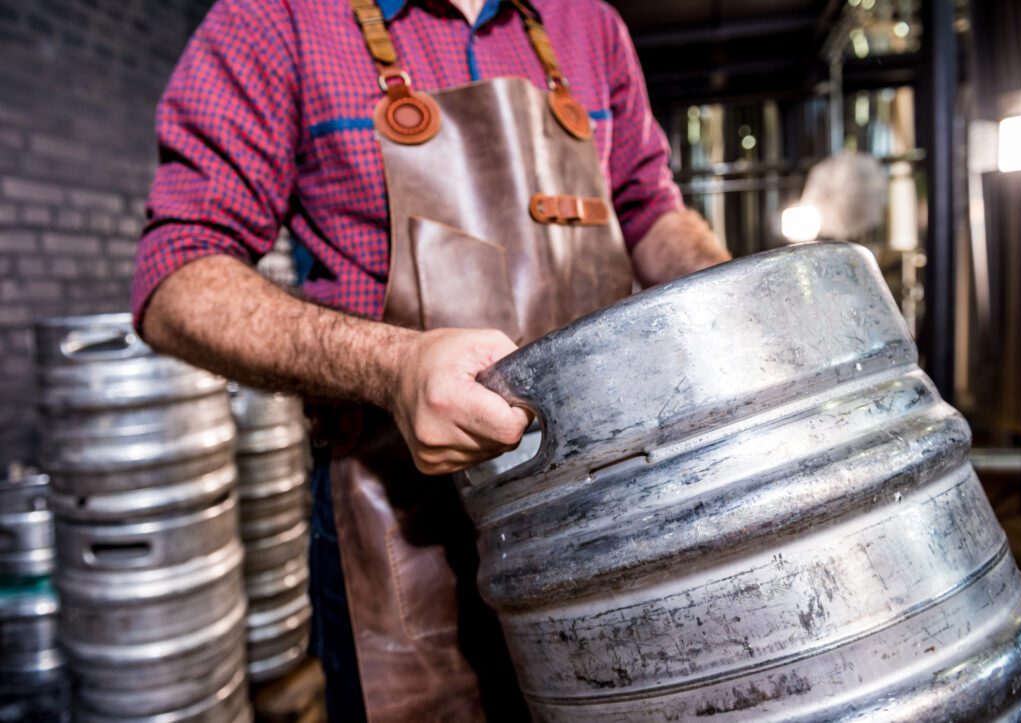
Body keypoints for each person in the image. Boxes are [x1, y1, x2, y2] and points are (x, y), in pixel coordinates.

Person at [131, 0, 730, 719]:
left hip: (603, 502)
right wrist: (393, 365)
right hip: (400, 523)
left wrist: (736, 292)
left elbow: (648, 208)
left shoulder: (587, 22)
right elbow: (178, 275)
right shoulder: (278, 18)